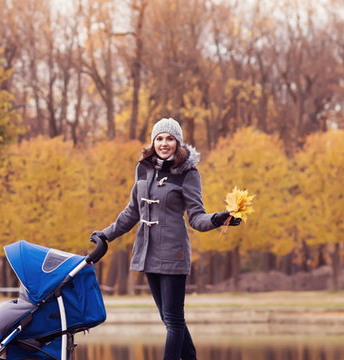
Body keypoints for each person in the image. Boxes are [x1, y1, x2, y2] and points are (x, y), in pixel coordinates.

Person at [91, 118, 240, 360]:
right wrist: (105, 234)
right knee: (168, 318)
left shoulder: (188, 173)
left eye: (170, 138)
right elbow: (132, 212)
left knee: (173, 320)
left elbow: (196, 217)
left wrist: (216, 219)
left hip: (173, 253)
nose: (164, 143)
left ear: (178, 142)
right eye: (159, 138)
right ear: (153, 141)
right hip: (148, 253)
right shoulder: (143, 169)